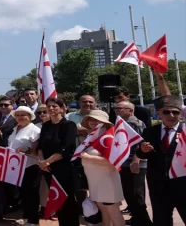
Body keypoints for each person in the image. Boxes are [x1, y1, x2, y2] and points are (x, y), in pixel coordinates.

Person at [137, 95, 186, 226]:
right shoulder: (150, 131)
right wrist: (142, 150)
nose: (171, 115)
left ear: (180, 114)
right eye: (166, 111)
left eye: (175, 112)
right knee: (161, 219)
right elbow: (141, 154)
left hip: (183, 184)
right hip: (158, 185)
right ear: (158, 113)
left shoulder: (185, 131)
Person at [37, 97, 80, 226]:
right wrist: (42, 162)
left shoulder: (69, 125)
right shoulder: (46, 126)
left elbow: (66, 148)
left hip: (64, 168)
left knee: (67, 200)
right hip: (47, 169)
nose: (51, 109)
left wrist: (48, 162)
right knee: (57, 200)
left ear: (63, 108)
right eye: (49, 106)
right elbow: (40, 146)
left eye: (54, 106)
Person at [79, 110, 125, 226]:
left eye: (97, 119)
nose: (93, 122)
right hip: (95, 182)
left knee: (113, 213)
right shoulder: (92, 136)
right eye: (91, 119)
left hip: (107, 181)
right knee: (104, 212)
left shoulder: (107, 137)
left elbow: (112, 162)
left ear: (104, 122)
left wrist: (87, 157)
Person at [114, 101, 151, 226]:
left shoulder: (134, 124)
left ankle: (144, 221)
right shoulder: (123, 123)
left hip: (134, 163)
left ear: (130, 110)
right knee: (129, 194)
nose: (117, 110)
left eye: (120, 108)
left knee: (136, 194)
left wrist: (136, 160)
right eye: (116, 108)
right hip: (125, 163)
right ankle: (137, 218)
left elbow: (142, 143)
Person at [7, 106, 41, 226]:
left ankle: (33, 220)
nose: (20, 117)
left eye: (23, 115)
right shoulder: (15, 128)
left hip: (30, 166)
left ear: (30, 117)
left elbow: (37, 150)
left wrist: (26, 150)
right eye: (18, 115)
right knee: (23, 193)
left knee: (31, 193)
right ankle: (26, 216)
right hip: (17, 167)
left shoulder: (34, 130)